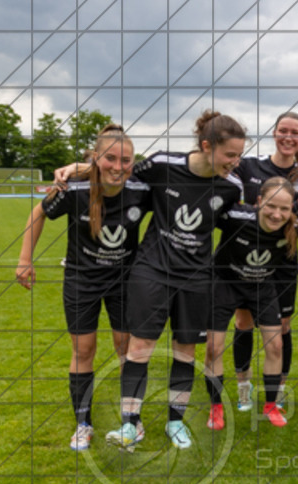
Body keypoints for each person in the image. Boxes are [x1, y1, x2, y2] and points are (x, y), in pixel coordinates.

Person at [91, 111, 245, 450]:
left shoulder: (232, 188)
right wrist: (78, 169)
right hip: (152, 272)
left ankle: (176, 422)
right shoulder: (162, 165)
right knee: (139, 349)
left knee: (185, 353)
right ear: (207, 146)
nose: (235, 162)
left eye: (239, 156)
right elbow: (117, 175)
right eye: (230, 155)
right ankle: (131, 425)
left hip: (195, 280)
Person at [16, 124, 150, 450]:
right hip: (81, 280)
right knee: (83, 351)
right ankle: (83, 423)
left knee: (126, 351)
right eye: (110, 158)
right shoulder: (74, 190)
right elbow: (39, 212)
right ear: (96, 158)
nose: (118, 166)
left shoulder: (142, 189)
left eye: (126, 160)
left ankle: (131, 419)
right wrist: (24, 260)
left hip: (123, 282)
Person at [229, 112, 298, 412]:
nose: (288, 137)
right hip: (247, 260)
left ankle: (277, 388)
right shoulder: (249, 167)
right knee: (244, 322)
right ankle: (244, 385)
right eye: (283, 131)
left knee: (282, 327)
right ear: (274, 133)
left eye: (295, 133)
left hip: (284, 263)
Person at [203, 177, 298, 430]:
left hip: (262, 287)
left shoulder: (295, 226)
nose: (277, 214)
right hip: (225, 284)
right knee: (213, 348)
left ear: (292, 209)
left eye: (284, 209)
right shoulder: (235, 216)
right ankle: (216, 408)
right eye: (271, 206)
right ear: (259, 201)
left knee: (276, 346)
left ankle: (270, 405)